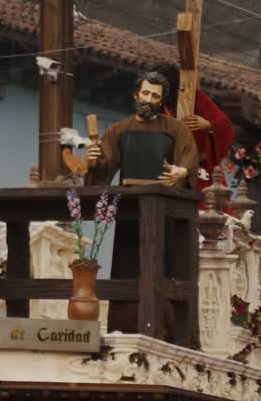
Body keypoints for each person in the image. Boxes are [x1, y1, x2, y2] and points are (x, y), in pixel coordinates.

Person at [85, 70, 199, 334]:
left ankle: (168, 331)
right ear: (136, 94)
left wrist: (181, 172)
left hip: (164, 212)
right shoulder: (119, 130)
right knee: (128, 268)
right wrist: (94, 160)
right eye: (145, 93)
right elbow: (103, 168)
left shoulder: (175, 130)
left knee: (164, 269)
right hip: (130, 211)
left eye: (155, 96)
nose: (148, 99)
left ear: (161, 101)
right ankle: (124, 329)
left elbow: (188, 163)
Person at [161, 66, 235, 200]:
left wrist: (208, 125)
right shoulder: (157, 107)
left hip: (203, 172)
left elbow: (226, 127)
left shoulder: (196, 98)